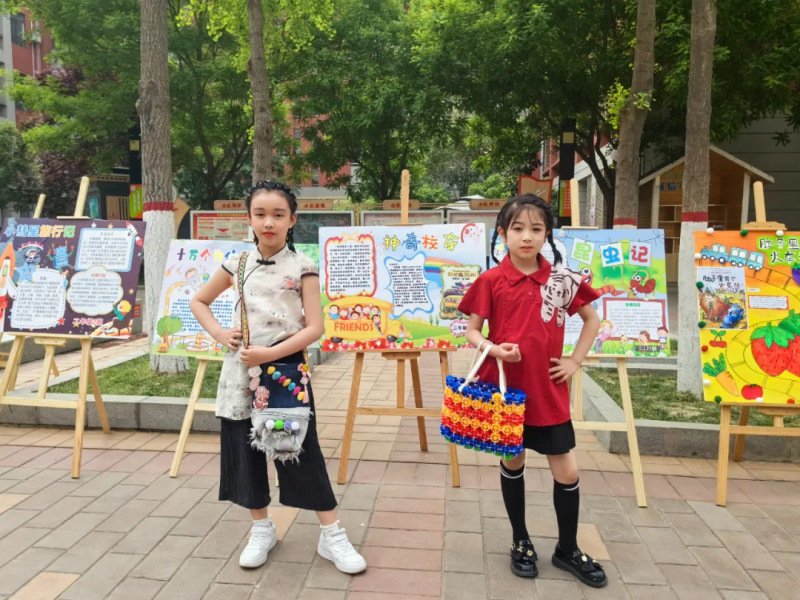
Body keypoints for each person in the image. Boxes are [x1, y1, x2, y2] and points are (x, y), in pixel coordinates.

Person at [191, 180, 367, 574]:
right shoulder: (236, 264)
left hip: (285, 372)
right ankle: (261, 528)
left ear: (292, 220)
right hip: (240, 373)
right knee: (245, 451)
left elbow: (315, 328)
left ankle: (331, 534)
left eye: (278, 214)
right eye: (260, 214)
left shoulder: (303, 266)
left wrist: (270, 354)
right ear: (249, 219)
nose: (268, 222)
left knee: (299, 450)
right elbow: (199, 301)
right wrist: (219, 333)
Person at [458, 194, 607, 588]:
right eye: (518, 228)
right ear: (502, 234)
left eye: (536, 229)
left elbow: (592, 320)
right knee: (513, 462)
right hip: (506, 391)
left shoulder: (562, 279)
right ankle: (520, 540)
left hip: (548, 390)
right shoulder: (491, 280)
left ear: (547, 235)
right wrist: (493, 349)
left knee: (567, 468)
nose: (527, 236)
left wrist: (575, 361)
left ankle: (567, 548)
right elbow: (472, 330)